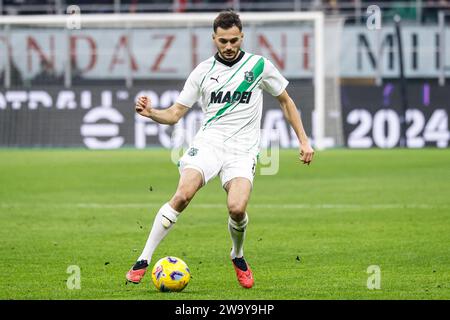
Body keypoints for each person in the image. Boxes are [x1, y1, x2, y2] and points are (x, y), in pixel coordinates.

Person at [126, 10, 314, 289]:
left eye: (234, 41)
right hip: (208, 144)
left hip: (243, 151)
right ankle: (143, 258)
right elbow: (176, 113)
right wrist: (151, 112)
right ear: (214, 38)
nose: (228, 47)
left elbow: (286, 101)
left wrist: (303, 139)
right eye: (223, 41)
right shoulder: (203, 71)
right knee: (182, 194)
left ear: (242, 37)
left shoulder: (259, 66)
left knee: (237, 209)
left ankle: (237, 255)